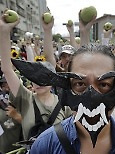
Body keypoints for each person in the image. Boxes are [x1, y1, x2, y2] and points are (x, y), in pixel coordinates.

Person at [0, 11, 72, 143]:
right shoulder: (25, 98)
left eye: (43, 77)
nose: (38, 82)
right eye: (34, 77)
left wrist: (47, 31)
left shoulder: (64, 104)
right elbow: (7, 69)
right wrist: (4, 31)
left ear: (52, 80)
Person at [0, 75, 22, 153]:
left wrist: (16, 115)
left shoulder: (25, 104)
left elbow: (31, 126)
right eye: (3, 86)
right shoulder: (1, 104)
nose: (6, 89)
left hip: (20, 150)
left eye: (10, 86)